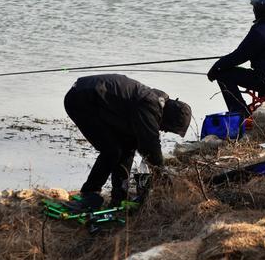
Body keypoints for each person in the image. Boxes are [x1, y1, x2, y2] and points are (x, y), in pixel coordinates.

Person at [63, 73, 191, 208]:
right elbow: (150, 144)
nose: (164, 131)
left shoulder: (153, 103)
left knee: (127, 145)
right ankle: (90, 193)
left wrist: (121, 193)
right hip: (81, 99)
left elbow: (133, 147)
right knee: (111, 150)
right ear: (169, 118)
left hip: (97, 101)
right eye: (168, 128)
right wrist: (160, 171)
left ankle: (118, 195)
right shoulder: (149, 105)